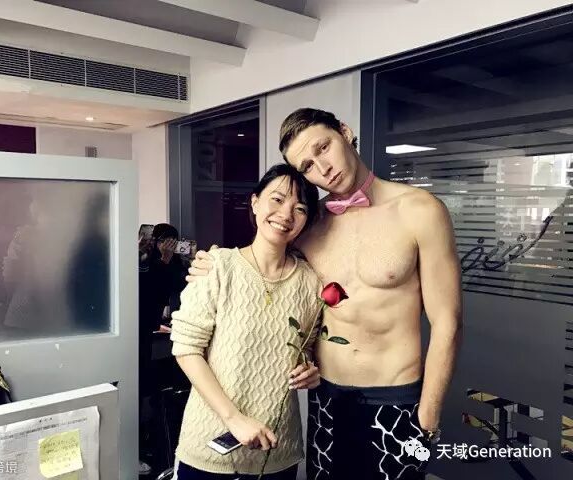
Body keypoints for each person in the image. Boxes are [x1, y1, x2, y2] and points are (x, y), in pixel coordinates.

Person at [188, 108, 463, 480]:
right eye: (307, 166)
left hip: (396, 396)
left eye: (323, 148)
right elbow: (263, 268)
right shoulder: (307, 222)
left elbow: (448, 322)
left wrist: (428, 419)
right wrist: (211, 263)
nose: (323, 169)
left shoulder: (420, 211)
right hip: (327, 399)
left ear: (345, 133)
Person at [170, 164, 322, 479]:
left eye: (300, 208)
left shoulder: (311, 283)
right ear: (254, 202)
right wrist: (234, 419)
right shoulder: (218, 267)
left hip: (277, 451)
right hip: (209, 448)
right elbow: (186, 349)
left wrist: (309, 369)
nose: (286, 214)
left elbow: (306, 348)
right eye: (277, 200)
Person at [138, 223, 187, 474]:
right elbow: (145, 290)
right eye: (163, 241)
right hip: (136, 328)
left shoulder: (175, 262)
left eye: (172, 242)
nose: (168, 246)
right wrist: (161, 261)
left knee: (147, 385)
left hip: (151, 327)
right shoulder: (144, 260)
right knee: (137, 385)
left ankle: (147, 437)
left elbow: (178, 288)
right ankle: (137, 443)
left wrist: (174, 262)